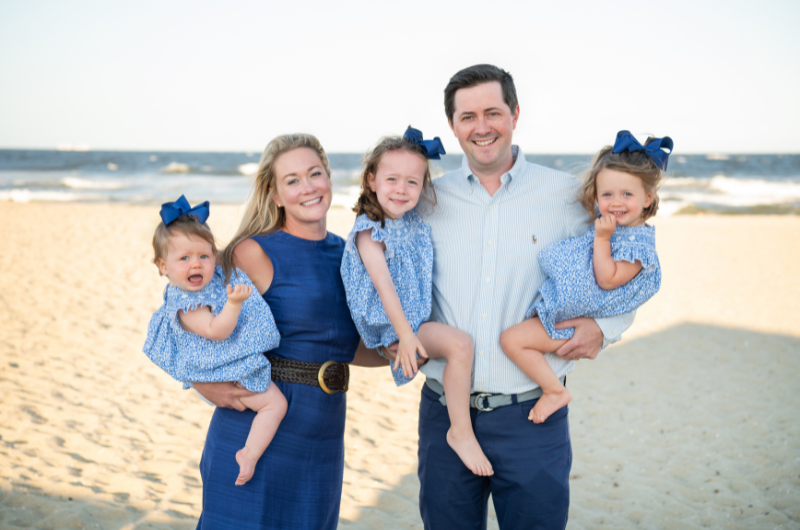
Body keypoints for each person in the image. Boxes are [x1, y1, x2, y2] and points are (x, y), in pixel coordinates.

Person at [406, 64, 638, 529]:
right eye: (468, 116)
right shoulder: (424, 201)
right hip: (444, 416)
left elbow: (630, 262)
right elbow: (390, 276)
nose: (482, 127)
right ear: (453, 125)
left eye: (493, 112)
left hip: (532, 417)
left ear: (515, 113)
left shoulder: (568, 196)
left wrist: (605, 327)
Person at [190, 134, 386, 530]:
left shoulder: (348, 253)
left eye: (315, 174)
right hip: (255, 433)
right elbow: (190, 322)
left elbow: (346, 346)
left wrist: (406, 350)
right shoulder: (251, 252)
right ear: (275, 194)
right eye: (292, 180)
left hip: (323, 433)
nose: (308, 187)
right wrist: (201, 382)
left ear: (329, 178)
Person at [340, 127, 493, 476]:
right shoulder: (369, 230)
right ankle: (460, 431)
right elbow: (384, 286)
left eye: (412, 182)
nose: (402, 189)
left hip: (412, 321)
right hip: (395, 325)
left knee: (459, 345)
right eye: (392, 179)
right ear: (371, 180)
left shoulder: (412, 221)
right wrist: (406, 336)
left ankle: (460, 426)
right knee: (460, 346)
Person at [501, 130, 669, 424]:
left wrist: (602, 239)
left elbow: (607, 279)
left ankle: (554, 391)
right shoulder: (615, 225)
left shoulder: (638, 248)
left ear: (648, 198)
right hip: (564, 308)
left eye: (627, 194)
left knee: (512, 340)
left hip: (572, 322)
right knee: (514, 338)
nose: (616, 202)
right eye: (607, 194)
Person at [142, 195, 286, 486]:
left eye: (203, 257)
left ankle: (250, 451)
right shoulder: (187, 304)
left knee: (274, 404)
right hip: (221, 368)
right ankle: (249, 454)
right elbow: (217, 330)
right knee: (275, 404)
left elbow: (221, 258)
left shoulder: (207, 283)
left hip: (224, 361)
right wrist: (233, 304)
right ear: (163, 266)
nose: (195, 264)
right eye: (184, 258)